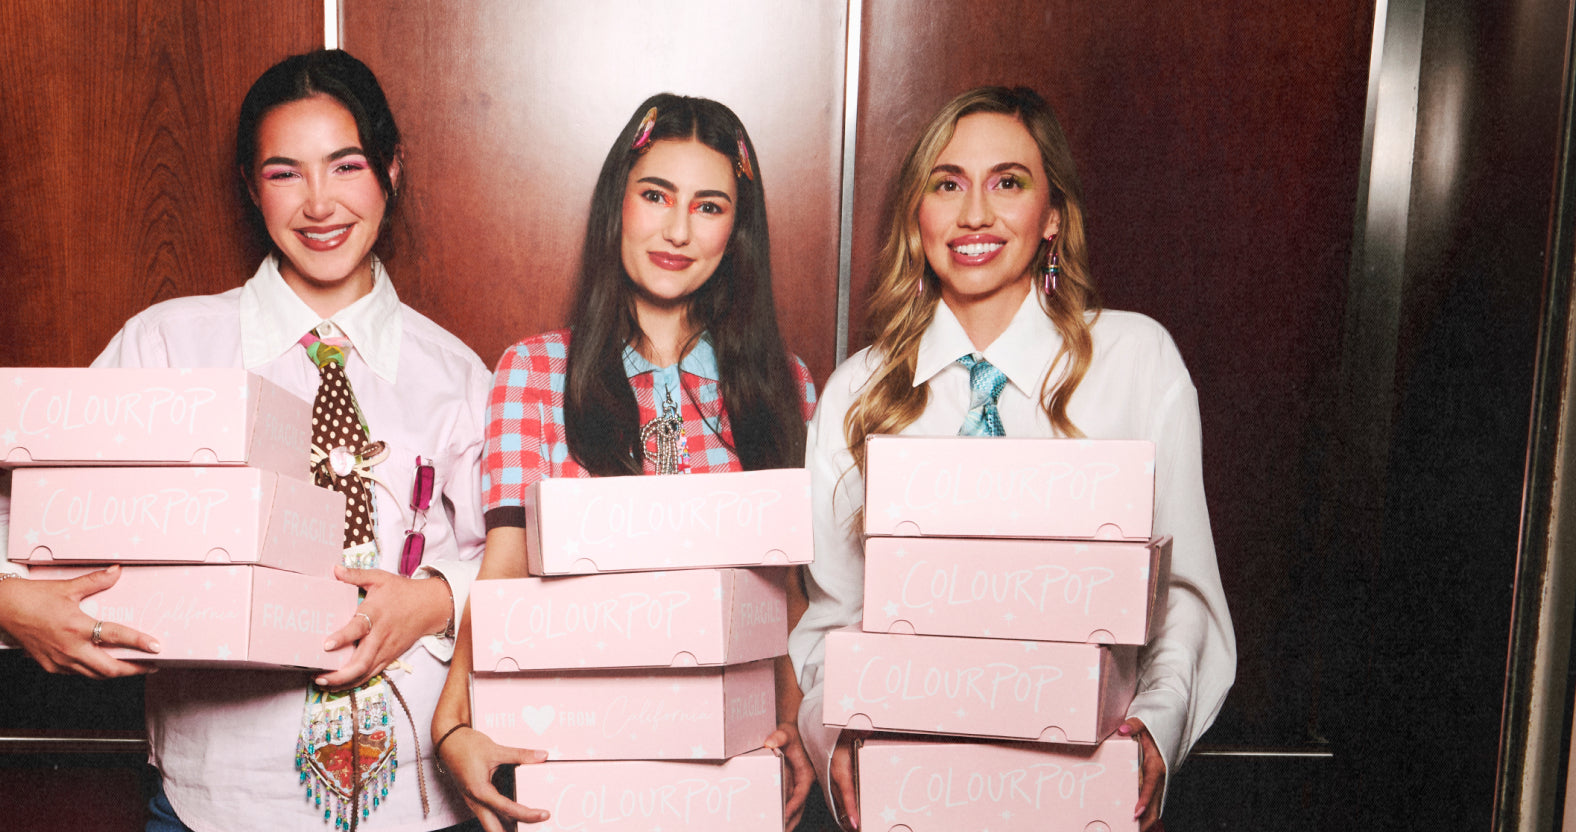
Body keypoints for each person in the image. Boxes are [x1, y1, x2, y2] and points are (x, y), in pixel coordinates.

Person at [0, 50, 490, 832]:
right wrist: (8, 598)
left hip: (418, 801)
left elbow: (502, 564)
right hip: (219, 802)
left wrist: (435, 600)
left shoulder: (456, 373)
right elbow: (16, 505)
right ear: (249, 186)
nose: (319, 204)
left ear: (391, 171)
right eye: (284, 173)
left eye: (346, 166)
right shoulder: (169, 345)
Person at [788, 86, 1235, 830]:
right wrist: (839, 734)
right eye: (947, 183)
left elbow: (1181, 591)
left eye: (1008, 183)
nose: (974, 215)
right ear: (918, 214)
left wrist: (1156, 725)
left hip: (1081, 790)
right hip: (914, 795)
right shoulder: (855, 393)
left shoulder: (1137, 361)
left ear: (1052, 215)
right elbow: (832, 619)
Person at [428, 94, 820, 832]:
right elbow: (502, 571)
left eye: (709, 206)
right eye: (655, 196)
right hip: (581, 764)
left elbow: (791, 595)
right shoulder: (536, 372)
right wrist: (452, 725)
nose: (677, 230)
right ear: (619, 205)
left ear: (738, 230)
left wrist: (797, 727)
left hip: (732, 768)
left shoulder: (784, 384)